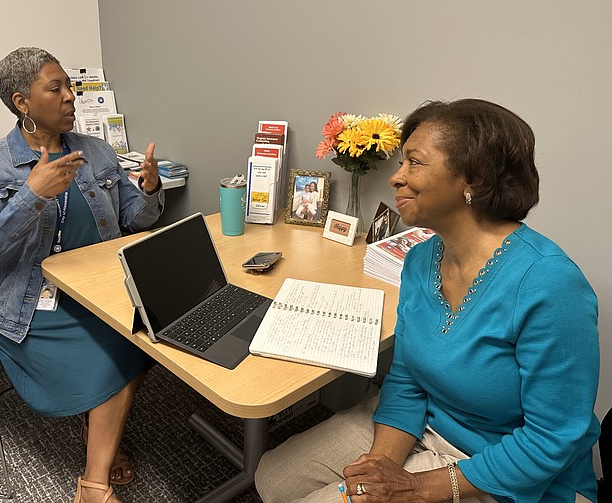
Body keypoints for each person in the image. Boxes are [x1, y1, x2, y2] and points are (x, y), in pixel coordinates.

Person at [254, 99, 600, 503]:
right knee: (272, 478)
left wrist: (417, 487)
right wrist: (379, 471)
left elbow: (552, 438)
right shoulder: (420, 259)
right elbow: (406, 376)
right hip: (428, 424)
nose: (396, 178)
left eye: (414, 163)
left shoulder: (550, 284)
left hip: (507, 465)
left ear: (474, 179)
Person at [0, 47, 165, 503]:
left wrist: (149, 191)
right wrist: (30, 195)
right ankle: (96, 481)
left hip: (99, 292)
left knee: (152, 333)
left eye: (70, 85)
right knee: (116, 357)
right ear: (22, 103)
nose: (71, 96)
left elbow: (136, 218)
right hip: (27, 307)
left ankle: (98, 439)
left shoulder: (95, 151)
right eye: (56, 88)